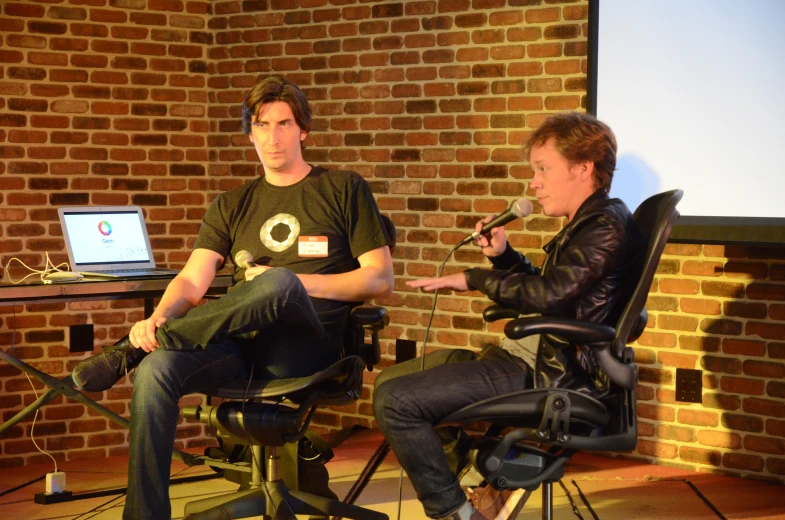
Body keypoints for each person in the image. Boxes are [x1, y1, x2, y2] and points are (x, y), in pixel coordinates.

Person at [71, 76, 394, 520]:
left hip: (307, 348)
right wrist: (158, 317)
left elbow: (379, 280)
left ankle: (130, 351)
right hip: (241, 346)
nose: (273, 136)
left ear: (303, 131)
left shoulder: (342, 188)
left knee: (279, 283)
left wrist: (297, 283)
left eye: (284, 124)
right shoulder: (232, 204)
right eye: (262, 125)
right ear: (250, 134)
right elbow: (191, 280)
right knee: (157, 370)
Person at [373, 112, 644, 520]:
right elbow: (553, 293)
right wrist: (503, 257)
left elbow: (552, 295)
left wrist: (475, 278)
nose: (533, 183)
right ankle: (468, 472)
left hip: (543, 370)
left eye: (543, 169)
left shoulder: (603, 225)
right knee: (392, 381)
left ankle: (455, 513)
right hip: (526, 356)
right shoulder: (590, 221)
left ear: (584, 168)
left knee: (397, 402)